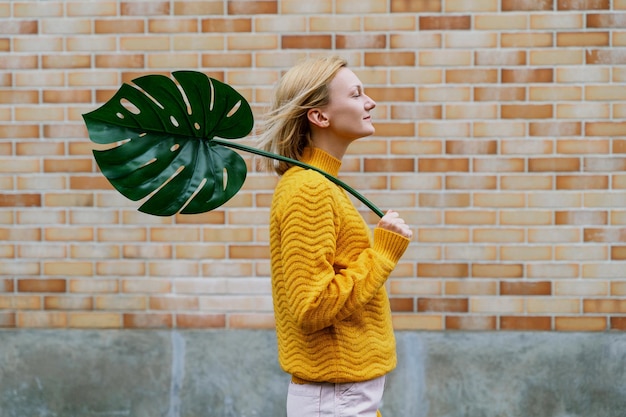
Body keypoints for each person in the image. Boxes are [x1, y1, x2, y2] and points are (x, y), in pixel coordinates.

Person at [257, 55, 412, 417]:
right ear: (320, 116)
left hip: (343, 394)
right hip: (336, 396)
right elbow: (312, 307)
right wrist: (382, 253)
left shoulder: (320, 183)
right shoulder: (309, 189)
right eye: (356, 95)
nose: (370, 102)